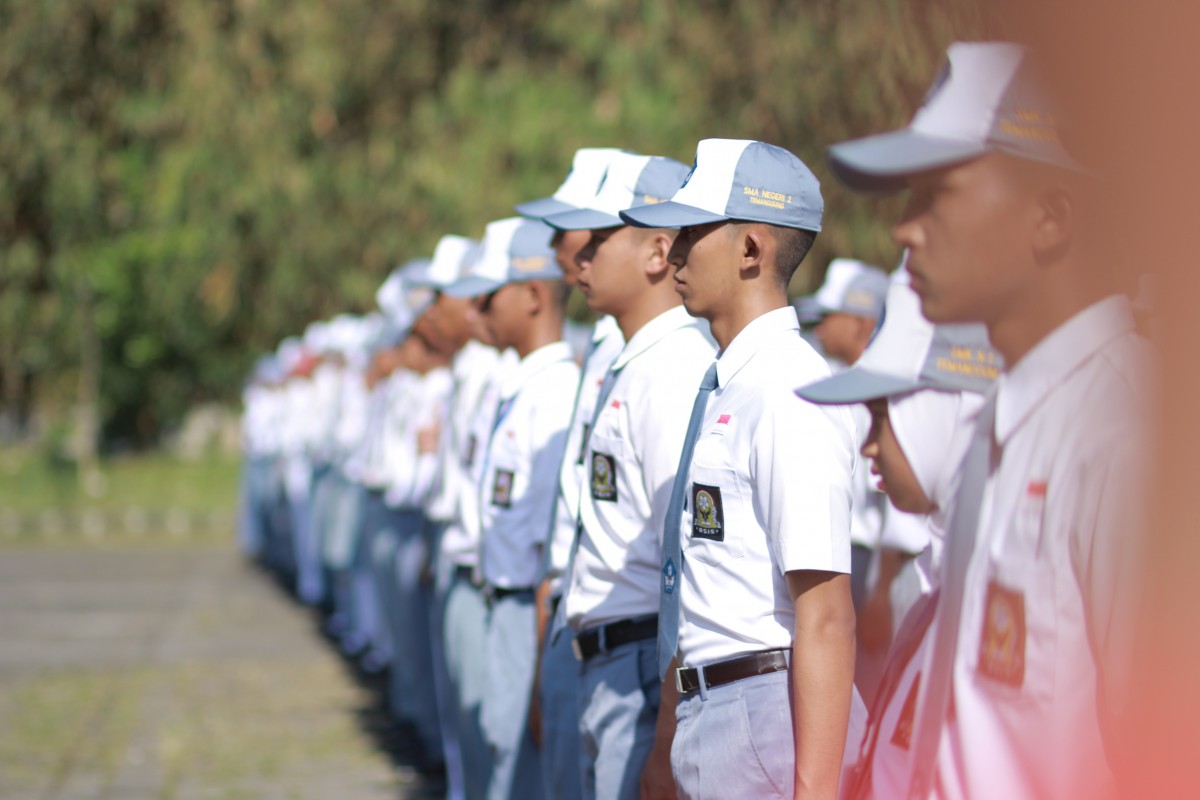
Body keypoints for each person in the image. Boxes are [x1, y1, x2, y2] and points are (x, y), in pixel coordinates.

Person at [827, 41, 1150, 799]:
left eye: (937, 194)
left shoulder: (1127, 436)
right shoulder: (999, 430)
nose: (904, 230)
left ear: (1050, 216)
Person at [621, 138, 865, 800]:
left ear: (752, 250)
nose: (673, 252)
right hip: (716, 705)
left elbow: (826, 615)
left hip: (763, 709)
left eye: (693, 232)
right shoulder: (732, 382)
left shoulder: (788, 390)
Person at [795, 267, 1000, 798]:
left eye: (883, 415)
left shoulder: (987, 569)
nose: (869, 445)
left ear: (935, 412)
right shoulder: (938, 577)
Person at [544, 151, 710, 800]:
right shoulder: (634, 361)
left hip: (643, 663)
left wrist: (667, 725)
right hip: (610, 658)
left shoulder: (671, 370)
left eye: (598, 240)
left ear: (656, 251)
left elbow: (684, 564)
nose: (578, 259)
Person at [445, 216, 580, 800]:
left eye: (489, 295)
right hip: (505, 602)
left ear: (531, 295)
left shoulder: (554, 393)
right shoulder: (523, 384)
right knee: (502, 760)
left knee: (519, 770)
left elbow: (552, 542)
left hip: (529, 608)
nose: (478, 310)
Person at [516, 146, 624, 800]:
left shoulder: (658, 358)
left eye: (576, 233)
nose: (565, 254)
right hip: (574, 613)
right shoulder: (608, 346)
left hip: (620, 634)